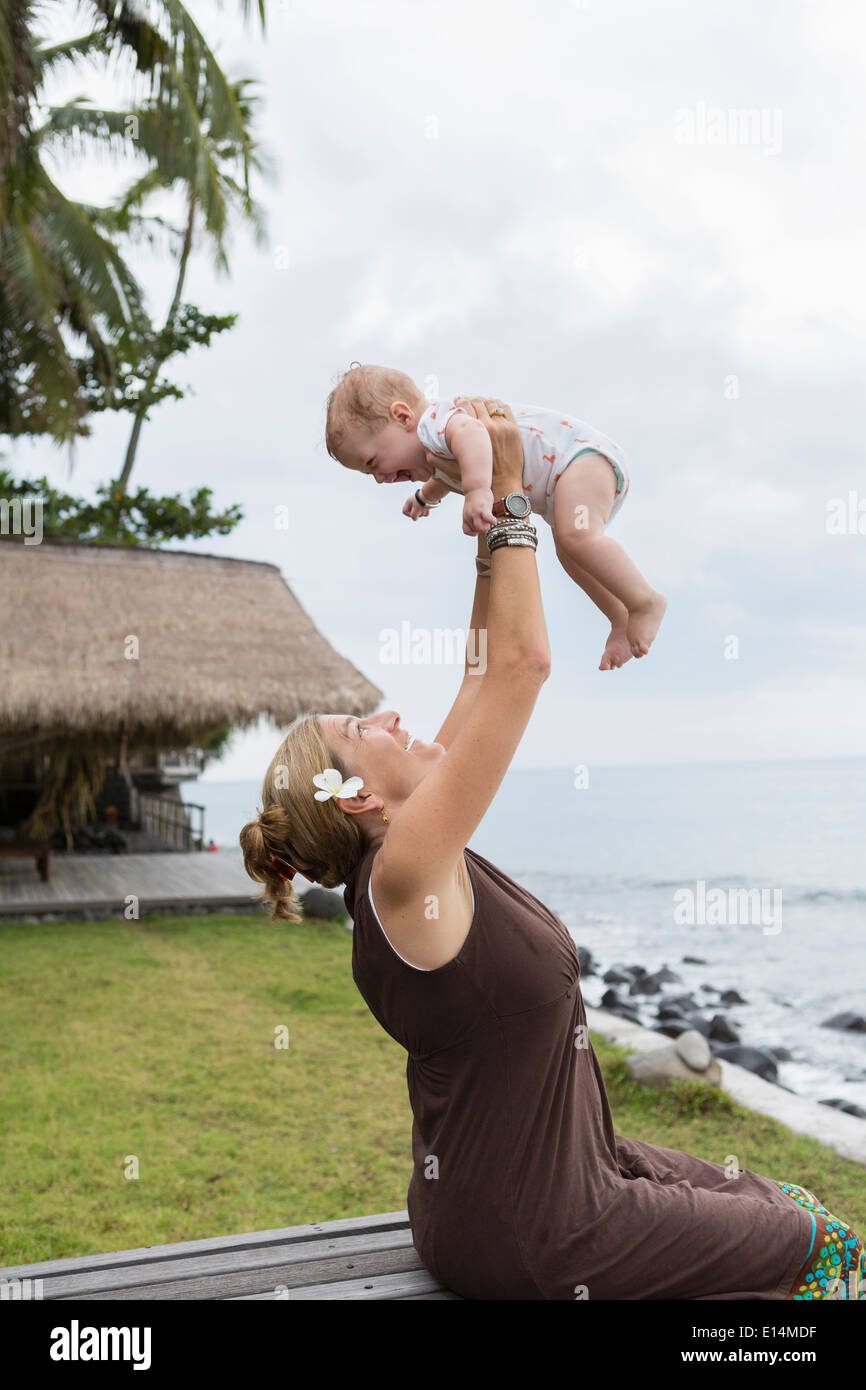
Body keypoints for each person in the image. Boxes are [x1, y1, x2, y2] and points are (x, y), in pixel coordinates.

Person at [241, 398, 863, 1301]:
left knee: (779, 1193)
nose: (386, 716)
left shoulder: (410, 859)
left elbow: (482, 668)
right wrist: (524, 511)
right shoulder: (410, 867)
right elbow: (524, 668)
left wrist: (488, 507)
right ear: (362, 795)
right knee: (827, 1249)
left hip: (541, 1187)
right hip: (546, 1231)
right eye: (360, 726)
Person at [324, 362, 666, 670]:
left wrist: (477, 491)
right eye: (368, 475)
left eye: (372, 463)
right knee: (569, 548)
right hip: (566, 476)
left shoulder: (436, 422)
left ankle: (646, 600)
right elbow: (445, 474)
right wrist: (425, 495)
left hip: (579, 458)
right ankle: (619, 615)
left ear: (402, 417)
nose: (380, 478)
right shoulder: (434, 451)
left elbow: (472, 437)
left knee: (578, 538)